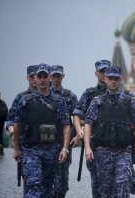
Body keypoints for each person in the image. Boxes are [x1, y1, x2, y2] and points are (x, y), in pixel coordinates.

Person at [84, 65, 135, 197]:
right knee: (106, 190)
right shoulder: (97, 102)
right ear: (105, 79)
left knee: (123, 184)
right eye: (111, 78)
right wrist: (87, 147)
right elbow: (88, 124)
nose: (113, 81)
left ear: (120, 80)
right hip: (103, 152)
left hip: (123, 151)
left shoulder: (129, 101)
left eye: (116, 79)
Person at [13, 63, 71, 197]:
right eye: (40, 76)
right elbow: (17, 125)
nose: (43, 79)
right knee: (33, 185)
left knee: (48, 188)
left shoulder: (59, 102)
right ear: (35, 79)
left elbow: (66, 125)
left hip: (52, 151)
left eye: (45, 76)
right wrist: (16, 148)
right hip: (31, 150)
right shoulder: (25, 101)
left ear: (49, 78)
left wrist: (64, 149)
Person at [71, 59, 111, 198]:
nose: (104, 74)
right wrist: (79, 130)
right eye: (101, 71)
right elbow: (77, 114)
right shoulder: (89, 94)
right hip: (94, 144)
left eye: (107, 71)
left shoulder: (120, 95)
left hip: (115, 145)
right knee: (98, 184)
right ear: (96, 73)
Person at [50, 65, 78, 198]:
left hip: (64, 141)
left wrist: (78, 134)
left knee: (62, 177)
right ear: (50, 77)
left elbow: (77, 117)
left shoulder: (69, 95)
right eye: (54, 76)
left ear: (63, 77)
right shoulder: (41, 94)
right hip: (45, 141)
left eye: (58, 76)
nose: (56, 79)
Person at [6, 65, 37, 138]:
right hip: (25, 141)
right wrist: (13, 134)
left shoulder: (49, 97)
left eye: (37, 77)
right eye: (32, 77)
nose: (34, 79)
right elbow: (10, 119)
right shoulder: (21, 97)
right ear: (27, 78)